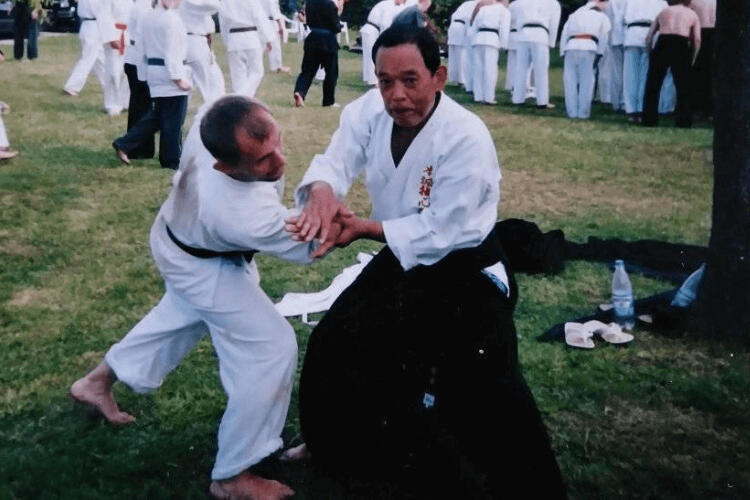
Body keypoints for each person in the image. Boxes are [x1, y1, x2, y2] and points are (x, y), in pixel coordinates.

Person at [284, 24, 566, 498]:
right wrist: (321, 196)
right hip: (402, 255)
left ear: (439, 76)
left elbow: (444, 228)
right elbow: (334, 161)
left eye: (410, 80)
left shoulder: (465, 136)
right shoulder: (368, 112)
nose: (396, 95)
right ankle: (329, 444)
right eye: (385, 80)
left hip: (466, 267)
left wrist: (363, 229)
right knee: (337, 338)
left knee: (480, 377)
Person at [70, 94, 323, 500]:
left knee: (180, 314)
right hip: (202, 263)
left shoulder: (217, 117)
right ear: (224, 166)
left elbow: (228, 108)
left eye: (277, 142)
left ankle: (95, 383)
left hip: (177, 234)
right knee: (270, 347)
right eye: (261, 161)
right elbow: (316, 241)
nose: (278, 161)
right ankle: (231, 475)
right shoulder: (236, 210)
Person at [112, 0, 191, 169]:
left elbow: (141, 47)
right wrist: (178, 77)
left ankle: (125, 143)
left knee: (157, 116)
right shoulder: (172, 19)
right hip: (169, 72)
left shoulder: (149, 17)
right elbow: (172, 51)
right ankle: (171, 160)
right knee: (174, 118)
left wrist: (143, 73)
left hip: (153, 70)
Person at [642, 0, 700, 127]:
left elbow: (649, 36)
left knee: (653, 83)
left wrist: (649, 52)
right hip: (681, 43)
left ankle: (648, 119)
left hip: (663, 42)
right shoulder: (691, 14)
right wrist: (694, 57)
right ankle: (683, 121)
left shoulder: (663, 12)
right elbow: (697, 39)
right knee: (683, 85)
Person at [560, 0, 611, 119]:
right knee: (586, 82)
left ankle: (571, 112)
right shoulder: (602, 17)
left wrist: (563, 52)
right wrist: (600, 54)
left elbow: (564, 33)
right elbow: (604, 37)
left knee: (570, 81)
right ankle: (583, 113)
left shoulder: (574, 15)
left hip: (571, 46)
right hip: (589, 47)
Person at [622, 0, 667, 122]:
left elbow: (623, 18)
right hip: (650, 33)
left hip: (632, 34)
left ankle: (631, 110)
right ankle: (642, 109)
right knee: (645, 75)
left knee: (630, 75)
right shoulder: (661, 3)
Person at [511, 0, 561, 109]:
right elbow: (554, 23)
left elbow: (516, 20)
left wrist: (521, 31)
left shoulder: (521, 2)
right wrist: (551, 42)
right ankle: (542, 101)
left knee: (521, 69)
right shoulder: (552, 3)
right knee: (541, 70)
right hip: (540, 34)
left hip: (523, 33)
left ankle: (517, 99)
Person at [62, 0, 117, 98]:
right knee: (87, 59)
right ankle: (71, 86)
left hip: (87, 25)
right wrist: (111, 34)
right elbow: (104, 14)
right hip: (95, 26)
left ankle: (108, 85)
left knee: (100, 59)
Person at [122, 0, 155, 160]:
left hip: (137, 58)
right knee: (141, 105)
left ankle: (142, 148)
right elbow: (146, 35)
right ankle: (136, 147)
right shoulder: (143, 6)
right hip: (138, 59)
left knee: (142, 105)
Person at [219, 0, 274, 97]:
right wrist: (267, 39)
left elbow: (223, 23)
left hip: (233, 38)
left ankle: (241, 98)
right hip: (251, 37)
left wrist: (227, 41)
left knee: (238, 75)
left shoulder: (224, 1)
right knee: (256, 72)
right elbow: (259, 18)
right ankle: (243, 97)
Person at [292, 0, 341, 107]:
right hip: (327, 40)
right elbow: (336, 26)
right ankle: (328, 101)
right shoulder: (330, 4)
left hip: (312, 38)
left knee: (307, 70)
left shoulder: (310, 2)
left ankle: (300, 92)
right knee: (331, 72)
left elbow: (307, 21)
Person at [180, 0, 226, 103]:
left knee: (187, 85)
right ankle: (213, 113)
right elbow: (215, 6)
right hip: (195, 41)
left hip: (185, 42)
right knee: (212, 86)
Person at [468, 0, 510, 104]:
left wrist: (473, 41)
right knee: (490, 70)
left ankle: (478, 96)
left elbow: (474, 27)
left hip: (478, 39)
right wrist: (504, 45)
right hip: (492, 40)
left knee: (478, 70)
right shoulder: (504, 11)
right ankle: (488, 98)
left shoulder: (483, 9)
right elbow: (504, 29)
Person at [361, 0, 406, 85]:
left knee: (372, 56)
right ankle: (375, 82)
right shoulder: (388, 5)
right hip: (372, 30)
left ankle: (373, 80)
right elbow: (385, 25)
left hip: (372, 30)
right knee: (372, 57)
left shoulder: (391, 5)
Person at [688, 0, 715, 118]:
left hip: (701, 32)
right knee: (710, 73)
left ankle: (699, 108)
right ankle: (708, 109)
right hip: (713, 33)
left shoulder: (694, 1)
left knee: (697, 72)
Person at [261, 0, 291, 73]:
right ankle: (277, 66)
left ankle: (251, 65)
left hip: (261, 21)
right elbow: (273, 10)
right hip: (270, 22)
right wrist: (280, 25)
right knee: (275, 45)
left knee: (261, 45)